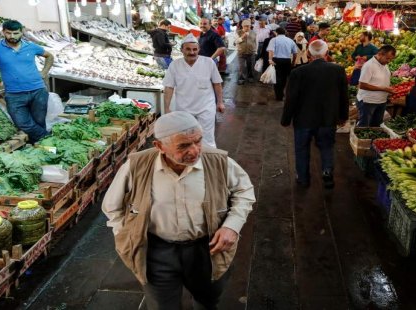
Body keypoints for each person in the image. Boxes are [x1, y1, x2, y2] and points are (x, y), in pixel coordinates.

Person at [102, 111, 255, 310]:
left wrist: (232, 226)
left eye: (198, 141)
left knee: (208, 300)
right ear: (159, 146)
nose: (194, 151)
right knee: (162, 305)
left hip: (207, 249)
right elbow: (112, 207)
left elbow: (244, 191)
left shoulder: (218, 162)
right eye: (183, 145)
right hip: (156, 252)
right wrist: (126, 235)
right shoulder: (137, 165)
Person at [281, 40, 349, 189]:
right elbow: (344, 96)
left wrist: (286, 120)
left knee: (301, 149)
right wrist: (343, 116)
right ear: (326, 54)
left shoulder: (297, 72)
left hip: (303, 119)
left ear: (308, 54)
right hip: (327, 119)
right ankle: (327, 172)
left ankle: (303, 179)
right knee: (326, 146)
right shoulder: (338, 70)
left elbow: (291, 98)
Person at [163, 34, 224, 148]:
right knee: (186, 138)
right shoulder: (174, 65)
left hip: (206, 107)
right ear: (182, 50)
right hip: (184, 108)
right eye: (188, 49)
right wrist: (166, 108)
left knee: (207, 137)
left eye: (195, 49)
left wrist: (220, 102)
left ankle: (208, 161)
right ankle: (190, 161)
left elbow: (217, 83)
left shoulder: (209, 62)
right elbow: (169, 87)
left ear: (199, 49)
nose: (192, 52)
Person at [356, 45, 396, 127]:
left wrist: (388, 90)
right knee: (364, 127)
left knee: (376, 126)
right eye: (387, 58)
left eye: (391, 59)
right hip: (368, 102)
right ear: (380, 54)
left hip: (381, 102)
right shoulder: (369, 65)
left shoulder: (384, 64)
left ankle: (373, 140)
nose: (389, 61)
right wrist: (384, 89)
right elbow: (362, 85)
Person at [267, 27, 298, 101]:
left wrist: (270, 59)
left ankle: (279, 95)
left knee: (277, 78)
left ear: (277, 33)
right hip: (287, 61)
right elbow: (295, 53)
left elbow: (271, 50)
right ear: (285, 33)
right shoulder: (290, 40)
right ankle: (281, 93)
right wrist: (293, 62)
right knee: (284, 78)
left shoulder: (274, 40)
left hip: (276, 60)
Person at [235, 20, 257, 85]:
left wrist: (255, 51)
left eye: (249, 26)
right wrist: (243, 36)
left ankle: (250, 77)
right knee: (241, 67)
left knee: (251, 66)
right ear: (242, 26)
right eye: (246, 26)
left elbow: (256, 42)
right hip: (241, 52)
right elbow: (236, 41)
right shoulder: (238, 32)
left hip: (251, 52)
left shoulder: (253, 33)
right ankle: (241, 79)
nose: (247, 28)